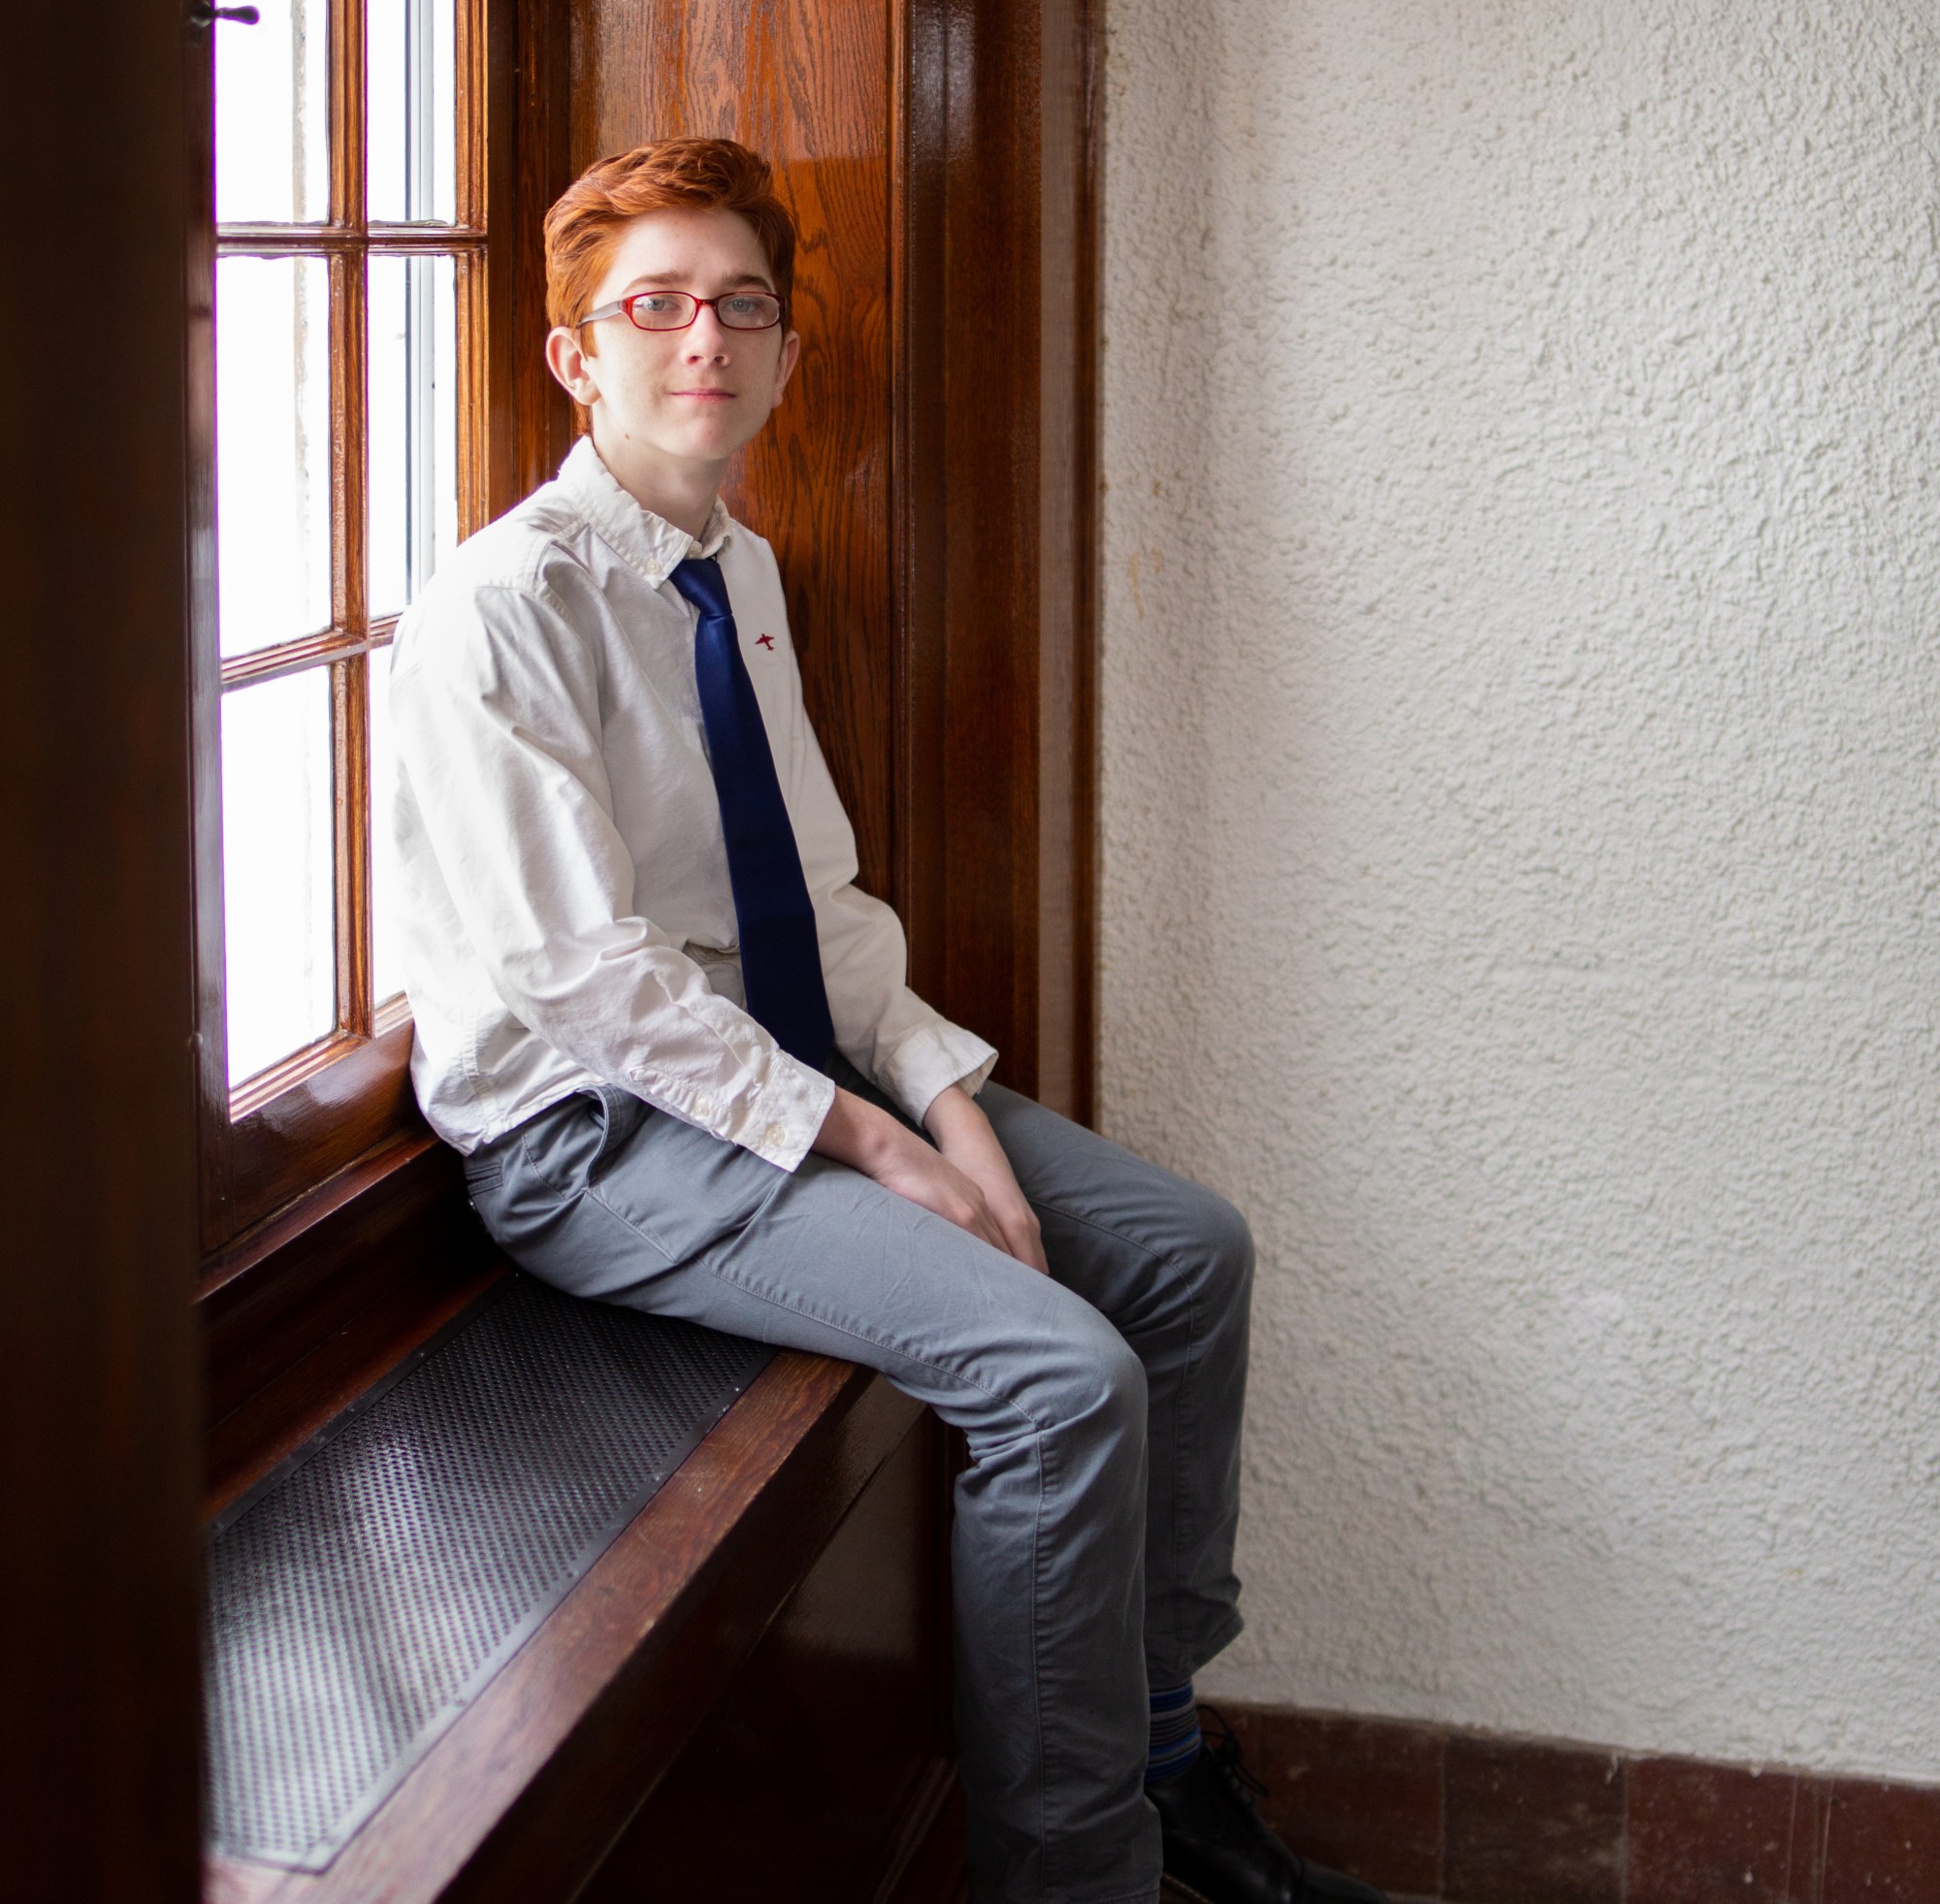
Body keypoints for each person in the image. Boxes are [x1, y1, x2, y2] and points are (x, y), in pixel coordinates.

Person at [388, 135, 1387, 1904]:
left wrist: (952, 1113)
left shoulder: (736, 572)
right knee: (1058, 1374)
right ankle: (1080, 1878)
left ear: (782, 346)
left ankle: (1165, 1763)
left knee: (1186, 1252)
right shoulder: (502, 606)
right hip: (597, 1132)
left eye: (745, 307)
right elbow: (583, 977)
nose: (708, 339)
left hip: (782, 1059)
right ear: (576, 352)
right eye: (660, 306)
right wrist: (865, 1140)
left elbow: (824, 907)